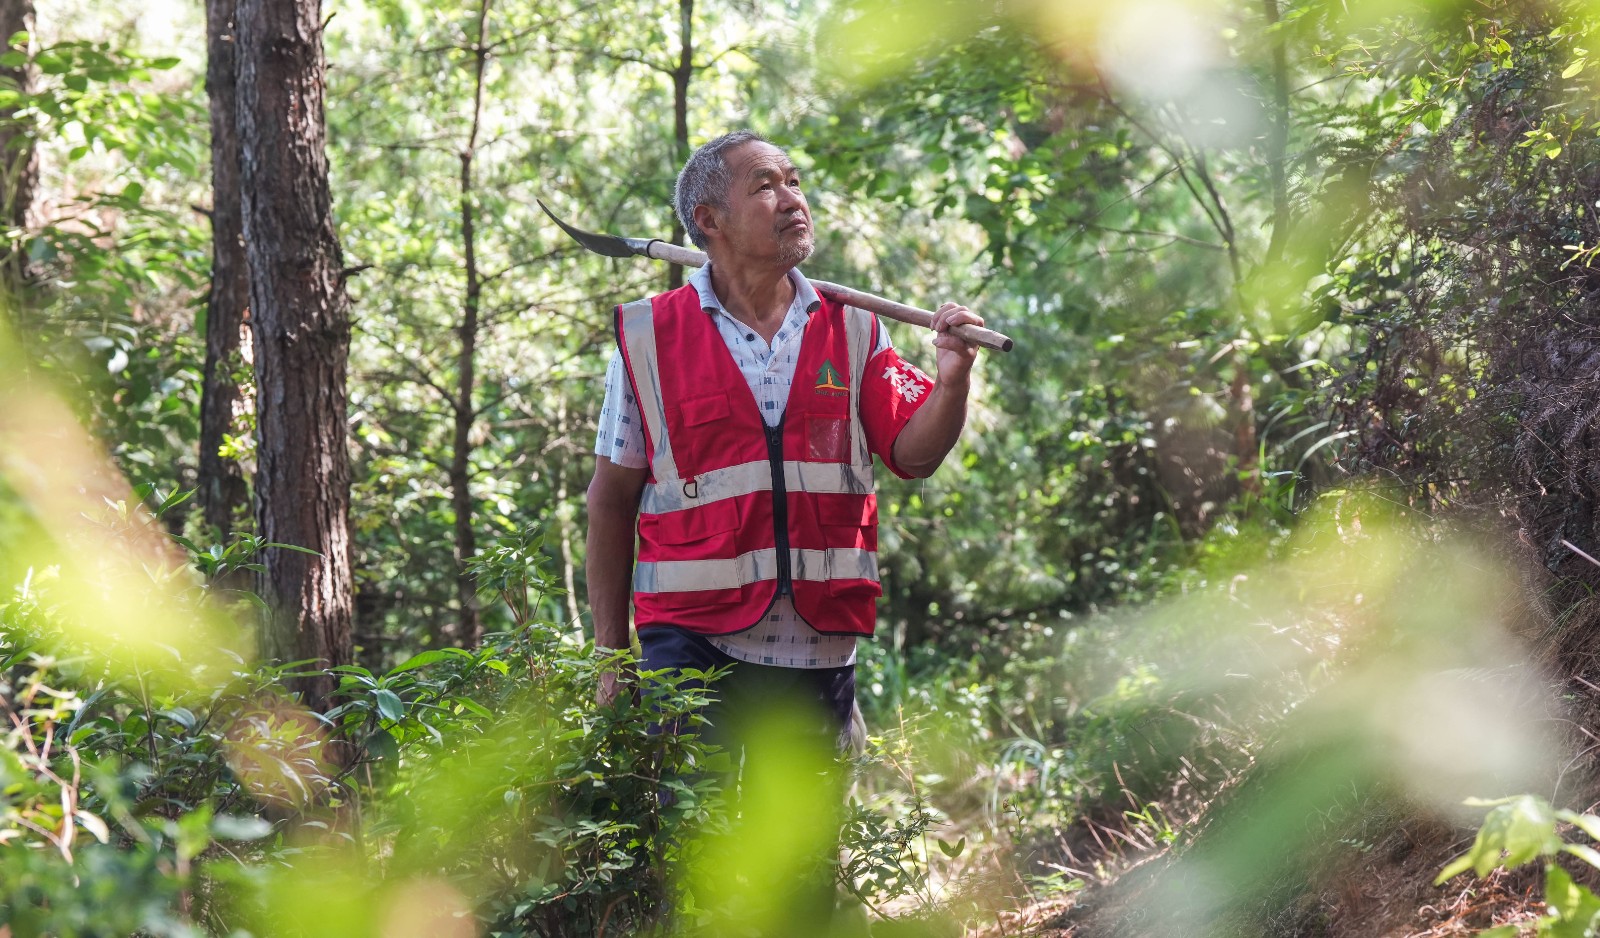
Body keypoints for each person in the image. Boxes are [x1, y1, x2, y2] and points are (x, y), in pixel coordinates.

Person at [585, 129, 983, 756]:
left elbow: (914, 452)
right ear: (709, 220)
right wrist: (611, 656)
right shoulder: (649, 338)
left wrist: (952, 379)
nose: (793, 198)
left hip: (818, 647)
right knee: (690, 844)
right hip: (688, 644)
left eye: (794, 181)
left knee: (804, 852)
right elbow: (610, 502)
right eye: (765, 186)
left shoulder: (852, 325)